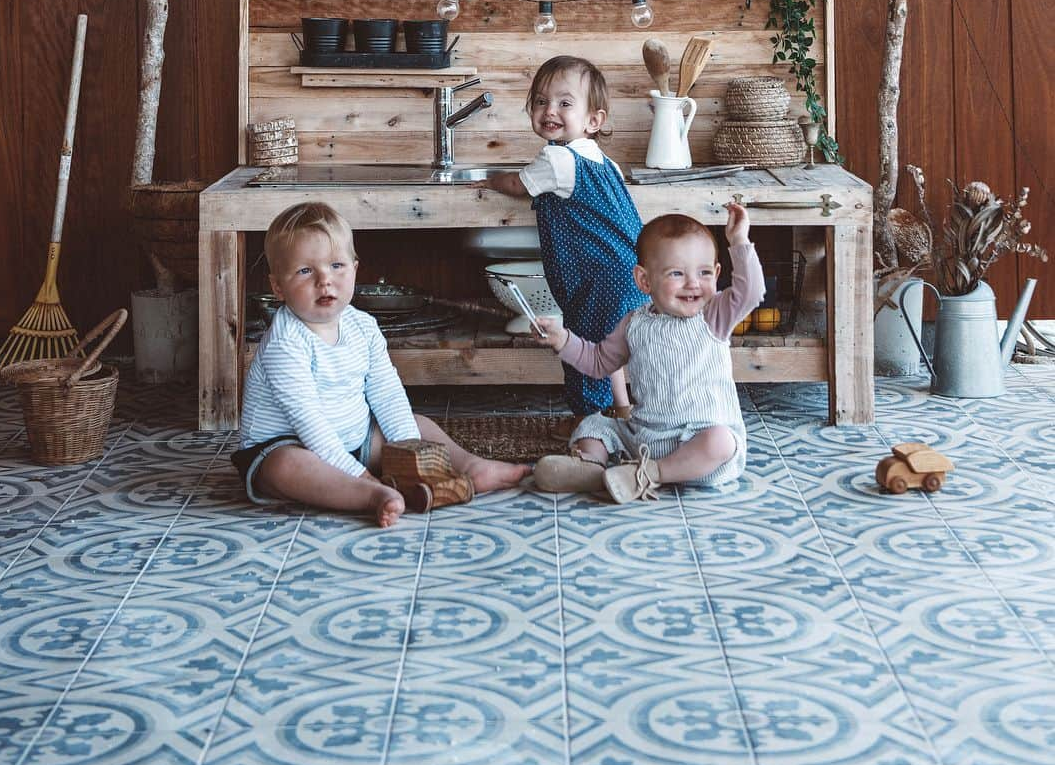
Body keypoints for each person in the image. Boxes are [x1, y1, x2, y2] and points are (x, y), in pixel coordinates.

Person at [231, 202, 529, 527]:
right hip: (287, 446)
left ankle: (469, 465)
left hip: (354, 439)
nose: (324, 281)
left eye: (336, 266)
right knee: (287, 467)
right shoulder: (285, 344)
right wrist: (362, 475)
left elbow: (386, 393)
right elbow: (310, 425)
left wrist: (410, 455)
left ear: (355, 270)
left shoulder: (363, 326)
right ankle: (369, 494)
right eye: (306, 271)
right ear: (278, 287)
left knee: (417, 423)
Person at [531, 202, 764, 504]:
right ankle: (590, 467)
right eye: (677, 273)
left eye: (704, 272)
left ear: (717, 273)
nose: (693, 283)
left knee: (721, 440)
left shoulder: (713, 315)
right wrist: (563, 340)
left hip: (700, 445)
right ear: (644, 280)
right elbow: (598, 362)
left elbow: (751, 292)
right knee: (594, 424)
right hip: (645, 439)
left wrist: (739, 240)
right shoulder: (634, 324)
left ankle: (650, 474)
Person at [488, 55, 644, 418]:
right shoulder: (606, 163)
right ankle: (621, 411)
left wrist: (492, 180)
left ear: (594, 120)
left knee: (585, 350)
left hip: (596, 278)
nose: (549, 110)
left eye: (564, 102)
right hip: (628, 270)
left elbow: (518, 184)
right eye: (541, 101)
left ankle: (590, 427)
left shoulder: (558, 160)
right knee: (610, 347)